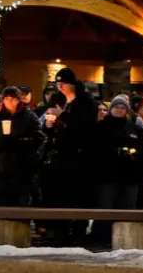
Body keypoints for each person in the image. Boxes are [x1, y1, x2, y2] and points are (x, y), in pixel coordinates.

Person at [44, 68, 98, 245]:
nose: (61, 87)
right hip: (60, 154)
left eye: (64, 84)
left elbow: (86, 127)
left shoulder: (85, 102)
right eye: (58, 84)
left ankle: (78, 234)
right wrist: (49, 125)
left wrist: (64, 116)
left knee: (78, 196)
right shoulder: (57, 99)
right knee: (59, 195)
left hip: (79, 156)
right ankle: (60, 233)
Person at [0, 87, 45, 207]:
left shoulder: (29, 117)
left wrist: (18, 142)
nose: (9, 102)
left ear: (18, 100)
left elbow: (39, 138)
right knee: (1, 200)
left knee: (21, 201)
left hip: (22, 166)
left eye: (12, 99)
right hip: (0, 166)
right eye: (6, 99)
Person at [93, 97, 143, 243]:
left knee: (128, 207)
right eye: (116, 107)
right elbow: (96, 149)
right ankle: (102, 239)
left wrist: (134, 153)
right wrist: (117, 151)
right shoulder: (101, 127)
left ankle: (126, 239)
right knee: (106, 207)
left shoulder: (135, 129)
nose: (119, 110)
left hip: (130, 175)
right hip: (107, 175)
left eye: (123, 108)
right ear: (111, 109)